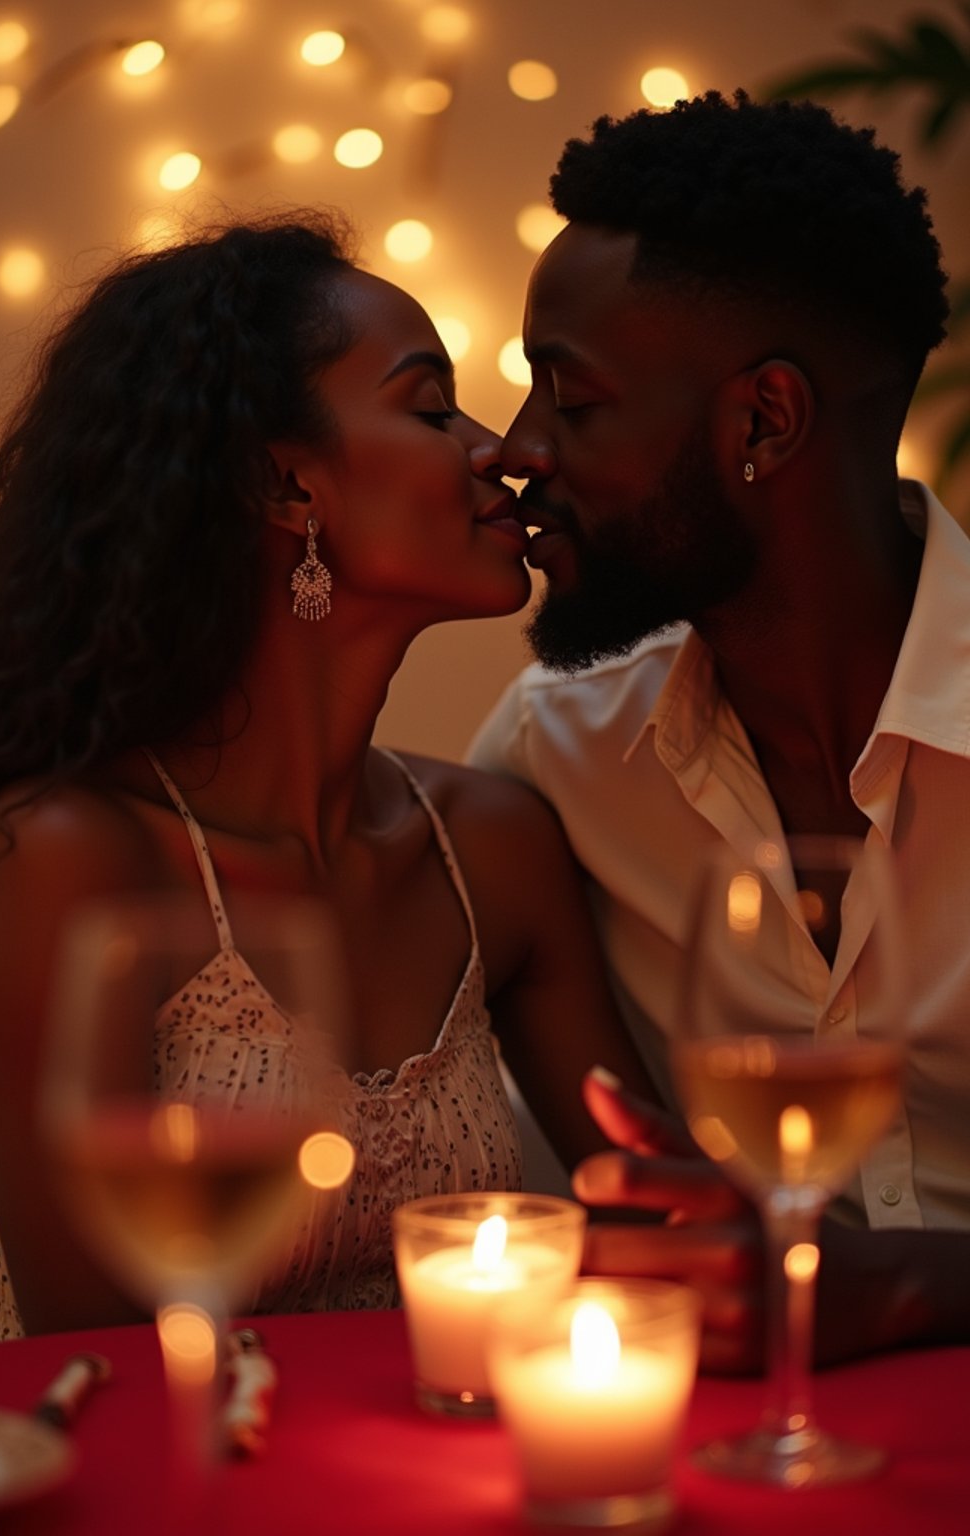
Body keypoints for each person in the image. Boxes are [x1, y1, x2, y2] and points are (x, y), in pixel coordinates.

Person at [0, 211, 655, 1343]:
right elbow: (103, 1356)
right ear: (285, 483)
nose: (497, 450)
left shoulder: (491, 843)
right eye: (430, 408)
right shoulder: (66, 857)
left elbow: (666, 1226)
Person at [469, 90, 970, 1373]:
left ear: (763, 422)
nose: (519, 451)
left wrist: (909, 1284)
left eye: (569, 403)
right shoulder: (556, 756)